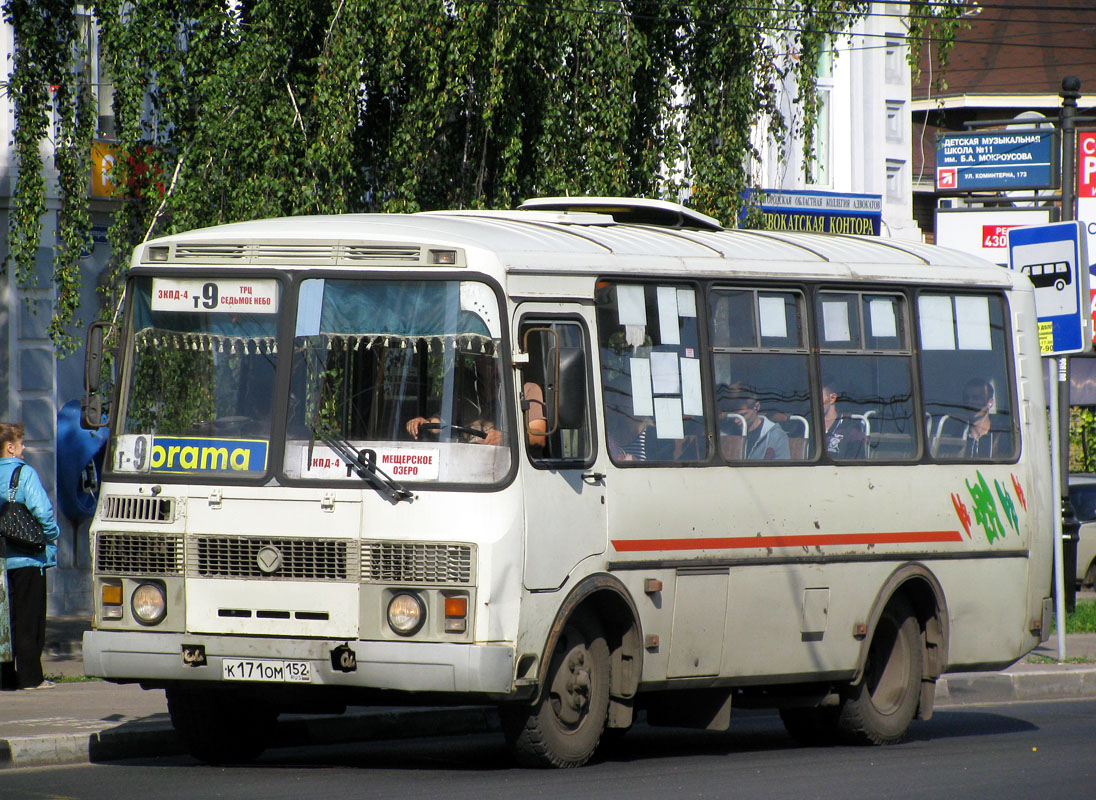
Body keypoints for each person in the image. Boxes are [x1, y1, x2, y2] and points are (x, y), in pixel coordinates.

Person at [0, 422, 60, 691]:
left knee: (4, 621)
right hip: (26, 559)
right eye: (20, 443)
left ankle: (5, 677)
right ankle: (31, 677)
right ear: (10, 447)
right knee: (28, 619)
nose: (24, 447)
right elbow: (43, 512)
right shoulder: (24, 473)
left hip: (1, 561)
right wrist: (51, 534)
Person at [943, 378, 1011, 459]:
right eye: (967, 398)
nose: (970, 402)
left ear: (990, 402)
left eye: (976, 398)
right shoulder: (954, 433)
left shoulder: (1003, 435)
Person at [720, 385, 789, 460]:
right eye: (734, 415)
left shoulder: (776, 436)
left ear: (757, 407)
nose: (736, 420)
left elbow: (782, 469)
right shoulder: (727, 434)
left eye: (742, 415)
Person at [821, 381, 866, 459]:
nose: (814, 403)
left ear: (832, 398)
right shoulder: (808, 429)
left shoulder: (852, 431)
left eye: (819, 398)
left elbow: (855, 466)